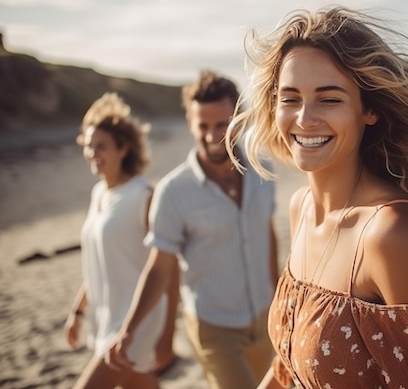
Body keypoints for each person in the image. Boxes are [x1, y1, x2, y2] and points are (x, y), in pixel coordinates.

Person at [226, 6, 408, 389]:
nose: (305, 118)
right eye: (290, 98)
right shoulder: (301, 209)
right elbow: (290, 366)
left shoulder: (394, 233)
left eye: (329, 99)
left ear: (370, 110)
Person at [107, 70, 279, 389]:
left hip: (266, 317)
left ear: (238, 119)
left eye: (221, 124)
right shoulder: (173, 191)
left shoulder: (262, 169)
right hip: (215, 327)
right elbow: (159, 269)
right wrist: (130, 330)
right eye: (203, 126)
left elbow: (266, 234)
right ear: (190, 122)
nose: (212, 136)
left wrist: (280, 299)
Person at [65, 92, 177, 389]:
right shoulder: (99, 193)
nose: (92, 153)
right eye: (88, 146)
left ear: (123, 149)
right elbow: (101, 260)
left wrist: (167, 335)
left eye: (100, 146)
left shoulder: (144, 196)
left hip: (136, 320)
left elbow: (169, 267)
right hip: (106, 315)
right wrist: (78, 310)